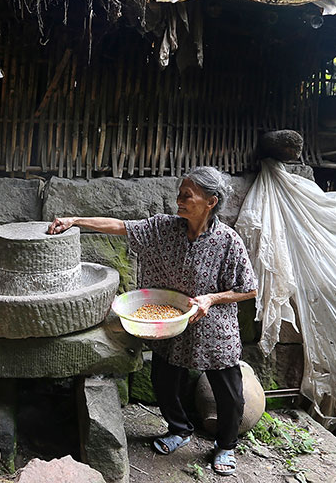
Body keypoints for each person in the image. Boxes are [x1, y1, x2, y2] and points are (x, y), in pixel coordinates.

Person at [48, 166, 257, 476]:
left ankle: (225, 445)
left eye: (188, 195)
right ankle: (179, 429)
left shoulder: (228, 241)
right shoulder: (163, 229)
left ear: (210, 202)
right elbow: (120, 226)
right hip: (169, 322)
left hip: (213, 328)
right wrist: (75, 220)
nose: (180, 200)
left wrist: (210, 299)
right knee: (164, 378)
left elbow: (248, 288)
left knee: (228, 391)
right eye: (180, 193)